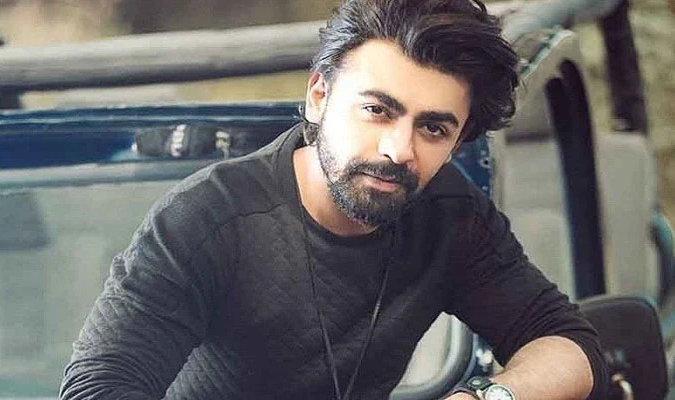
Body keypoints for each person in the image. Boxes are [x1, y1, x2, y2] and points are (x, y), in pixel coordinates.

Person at [60, 0, 608, 399]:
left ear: (458, 139)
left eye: (433, 129)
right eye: (377, 110)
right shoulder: (207, 219)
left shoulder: (452, 216)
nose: (398, 150)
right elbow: (98, 387)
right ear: (319, 97)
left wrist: (485, 398)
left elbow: (569, 344)